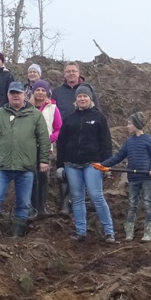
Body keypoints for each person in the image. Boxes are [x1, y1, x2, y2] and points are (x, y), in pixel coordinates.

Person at [0, 82, 51, 242]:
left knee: (24, 202)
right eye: (12, 93)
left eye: (18, 93)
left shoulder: (35, 115)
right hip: (3, 166)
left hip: (26, 167)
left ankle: (17, 233)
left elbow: (44, 139)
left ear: (25, 94)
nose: (15, 95)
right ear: (8, 95)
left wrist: (44, 160)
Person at [55, 84, 115, 243]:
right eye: (79, 96)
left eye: (85, 96)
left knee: (96, 196)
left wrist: (107, 164)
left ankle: (109, 232)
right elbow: (61, 143)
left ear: (90, 98)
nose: (82, 99)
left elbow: (106, 142)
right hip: (71, 164)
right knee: (77, 198)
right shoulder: (69, 118)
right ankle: (81, 231)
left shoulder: (99, 117)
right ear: (76, 99)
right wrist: (59, 165)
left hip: (93, 164)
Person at [95, 112, 151, 242]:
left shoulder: (149, 141)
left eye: (130, 124)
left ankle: (147, 233)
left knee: (148, 204)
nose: (127, 126)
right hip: (133, 178)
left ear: (137, 124)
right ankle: (129, 234)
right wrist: (102, 165)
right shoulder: (129, 142)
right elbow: (118, 157)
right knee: (132, 205)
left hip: (146, 178)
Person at [51, 61, 99, 213]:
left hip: (86, 134)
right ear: (64, 74)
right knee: (64, 168)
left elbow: (97, 111)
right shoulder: (57, 91)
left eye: (74, 71)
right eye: (68, 71)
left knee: (85, 166)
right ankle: (65, 202)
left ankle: (84, 200)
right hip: (65, 133)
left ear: (79, 73)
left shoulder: (88, 89)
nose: (71, 74)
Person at [28, 80, 62, 218]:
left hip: (45, 148)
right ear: (33, 91)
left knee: (43, 177)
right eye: (38, 90)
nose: (40, 93)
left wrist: (51, 139)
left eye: (43, 90)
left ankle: (42, 208)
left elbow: (59, 127)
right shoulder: (27, 108)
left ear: (47, 92)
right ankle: (32, 208)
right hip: (28, 148)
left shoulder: (52, 108)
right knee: (31, 177)